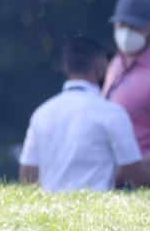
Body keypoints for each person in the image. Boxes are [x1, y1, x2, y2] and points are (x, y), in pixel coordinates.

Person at [19, 36, 150, 190]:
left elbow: (27, 176)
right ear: (101, 68)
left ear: (66, 68)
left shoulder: (41, 114)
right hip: (99, 209)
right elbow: (136, 176)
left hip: (50, 210)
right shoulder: (113, 113)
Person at [102, 0, 150, 155]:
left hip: (141, 173)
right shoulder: (116, 63)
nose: (127, 32)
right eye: (122, 25)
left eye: (135, 26)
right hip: (109, 169)